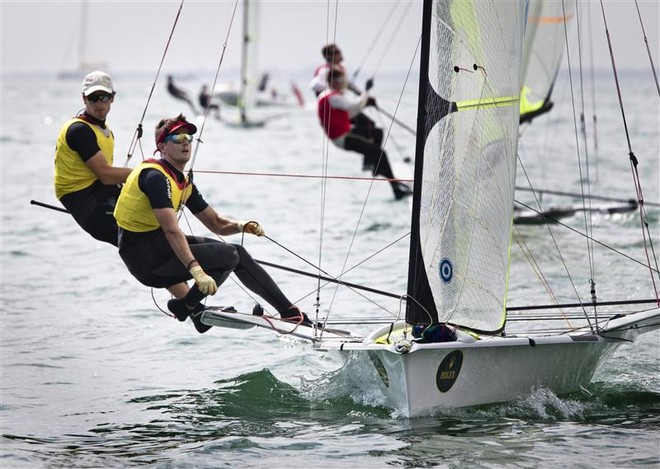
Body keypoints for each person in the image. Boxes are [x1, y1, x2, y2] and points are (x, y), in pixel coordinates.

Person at [113, 114, 312, 333]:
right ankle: (186, 306)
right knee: (229, 256)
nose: (185, 142)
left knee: (238, 252)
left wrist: (241, 225)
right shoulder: (155, 177)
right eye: (177, 138)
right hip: (146, 260)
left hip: (159, 248)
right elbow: (171, 230)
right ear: (162, 147)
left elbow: (216, 223)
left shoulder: (183, 181)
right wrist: (196, 270)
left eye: (188, 137)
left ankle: (290, 313)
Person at [54, 71, 189, 299]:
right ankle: (189, 302)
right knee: (155, 239)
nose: (99, 103)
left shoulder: (102, 130)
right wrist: (147, 174)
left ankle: (190, 302)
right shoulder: (79, 130)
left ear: (112, 98)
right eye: (93, 98)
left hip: (99, 194)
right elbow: (106, 175)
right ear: (84, 99)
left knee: (160, 231)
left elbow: (106, 178)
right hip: (88, 203)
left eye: (103, 97)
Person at [317, 67, 412, 200]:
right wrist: (366, 92)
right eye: (339, 80)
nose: (342, 82)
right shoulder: (333, 98)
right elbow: (354, 107)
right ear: (331, 81)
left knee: (377, 133)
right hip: (342, 138)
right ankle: (396, 188)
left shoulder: (330, 96)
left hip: (345, 133)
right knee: (380, 153)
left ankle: (372, 164)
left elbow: (350, 113)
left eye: (342, 80)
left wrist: (365, 104)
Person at [310, 43, 381, 145]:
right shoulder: (325, 70)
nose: (340, 53)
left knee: (369, 125)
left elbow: (348, 84)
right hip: (333, 110)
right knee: (368, 125)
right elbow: (313, 84)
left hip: (340, 107)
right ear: (329, 56)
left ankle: (371, 155)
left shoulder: (340, 68)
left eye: (339, 51)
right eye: (336, 52)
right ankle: (371, 155)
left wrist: (364, 96)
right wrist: (331, 88)